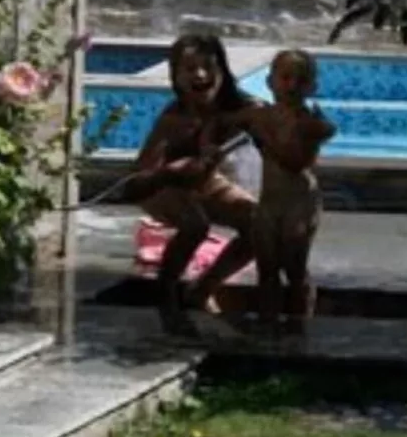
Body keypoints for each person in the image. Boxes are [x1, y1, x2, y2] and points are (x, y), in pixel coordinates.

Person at [128, 34, 261, 332]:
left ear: (223, 72)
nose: (200, 75)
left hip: (205, 180)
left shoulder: (242, 107)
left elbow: (278, 133)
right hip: (164, 183)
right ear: (175, 76)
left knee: (259, 224)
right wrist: (170, 173)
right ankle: (167, 292)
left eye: (208, 67)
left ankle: (202, 289)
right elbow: (138, 180)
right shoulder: (173, 118)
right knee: (195, 224)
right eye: (189, 69)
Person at [225, 50, 335, 333]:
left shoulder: (311, 124)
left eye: (301, 79)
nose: (292, 85)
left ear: (312, 87)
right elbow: (223, 120)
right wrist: (209, 147)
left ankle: (300, 326)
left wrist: (263, 139)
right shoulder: (260, 115)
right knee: (267, 267)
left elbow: (295, 163)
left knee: (294, 268)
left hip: (299, 201)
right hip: (270, 201)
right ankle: (267, 323)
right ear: (270, 81)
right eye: (285, 77)